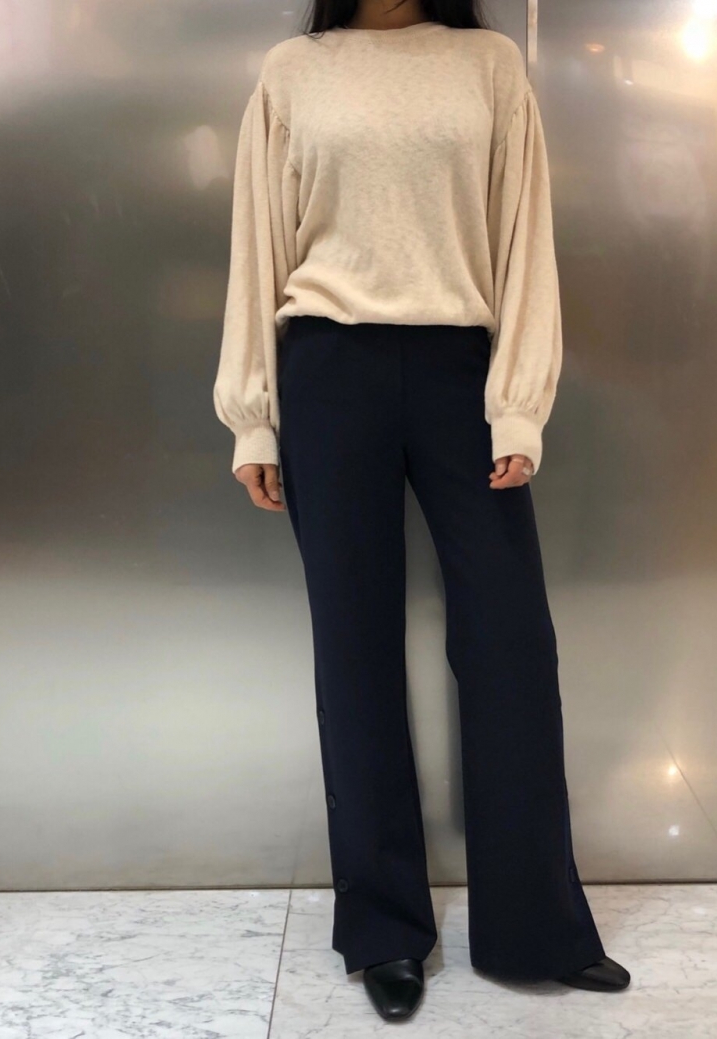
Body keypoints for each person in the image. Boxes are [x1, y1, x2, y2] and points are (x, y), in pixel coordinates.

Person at [213, 0, 630, 1022]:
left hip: (459, 370)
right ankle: (385, 930)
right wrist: (254, 418)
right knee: (352, 648)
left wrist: (518, 404)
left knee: (509, 643)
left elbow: (523, 238)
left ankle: (535, 925)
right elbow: (258, 244)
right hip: (328, 368)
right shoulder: (294, 69)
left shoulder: (487, 65)